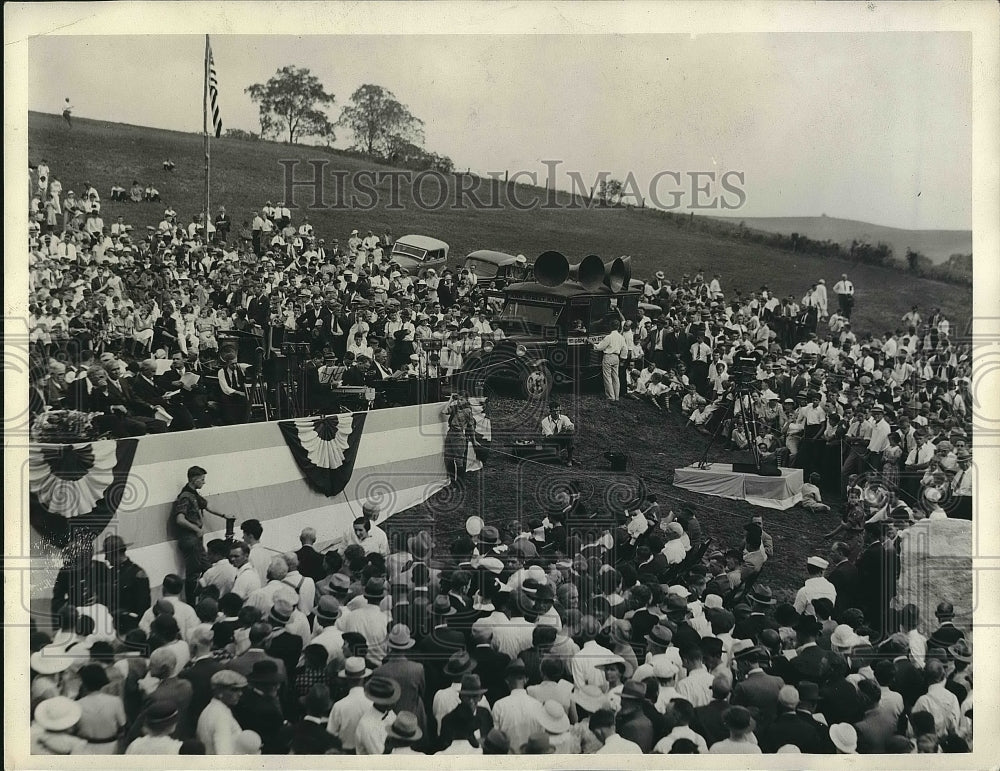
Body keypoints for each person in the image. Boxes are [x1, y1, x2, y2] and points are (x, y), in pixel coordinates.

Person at [170, 466, 234, 602]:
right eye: (202, 479)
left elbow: (207, 506)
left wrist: (224, 515)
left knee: (208, 569)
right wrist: (197, 529)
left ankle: (206, 600)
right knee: (193, 574)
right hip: (190, 539)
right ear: (194, 479)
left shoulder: (194, 494)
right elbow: (179, 519)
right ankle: (192, 604)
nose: (204, 483)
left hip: (196, 539)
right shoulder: (185, 497)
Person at [442, 392, 476, 483]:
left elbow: (471, 426)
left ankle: (460, 483)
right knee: (448, 458)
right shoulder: (454, 408)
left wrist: (474, 440)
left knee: (458, 460)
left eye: (461, 399)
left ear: (466, 400)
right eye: (458, 399)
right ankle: (452, 482)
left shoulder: (467, 411)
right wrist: (450, 400)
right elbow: (444, 411)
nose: (459, 402)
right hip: (450, 434)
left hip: (459, 436)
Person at [594, 313, 627, 400]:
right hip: (616, 357)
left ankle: (610, 396)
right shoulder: (621, 337)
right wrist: (623, 358)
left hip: (608, 356)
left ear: (610, 326)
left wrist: (592, 343)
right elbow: (625, 349)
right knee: (615, 377)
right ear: (618, 327)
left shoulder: (609, 337)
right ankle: (616, 396)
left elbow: (599, 347)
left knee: (607, 377)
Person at [540, 400, 575, 466]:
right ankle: (564, 458)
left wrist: (570, 428)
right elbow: (550, 437)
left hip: (560, 440)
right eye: (554, 411)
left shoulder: (564, 418)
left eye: (558, 411)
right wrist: (562, 433)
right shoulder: (545, 421)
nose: (556, 413)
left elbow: (571, 427)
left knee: (570, 434)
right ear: (550, 411)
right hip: (549, 441)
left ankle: (569, 459)